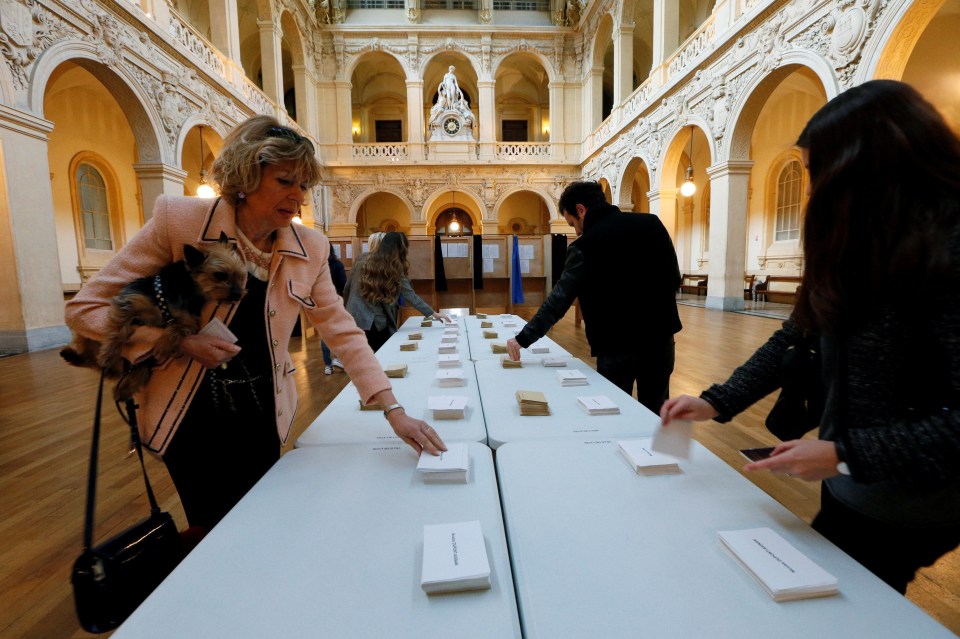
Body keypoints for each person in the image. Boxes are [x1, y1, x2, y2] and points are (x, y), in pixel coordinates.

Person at [65, 115, 445, 533]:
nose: (298, 197)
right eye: (285, 181)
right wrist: (178, 342)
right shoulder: (182, 221)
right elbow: (84, 309)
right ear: (246, 175)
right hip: (190, 414)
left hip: (264, 410)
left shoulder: (310, 247)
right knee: (215, 526)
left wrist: (393, 409)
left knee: (263, 520)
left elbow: (342, 329)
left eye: (304, 185)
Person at [660, 80, 960, 594]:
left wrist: (843, 453)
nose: (810, 190)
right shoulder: (860, 244)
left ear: (862, 169)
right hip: (852, 481)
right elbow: (793, 339)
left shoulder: (946, 254)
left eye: (814, 171)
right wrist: (715, 401)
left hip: (912, 499)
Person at [506, 181, 682, 413]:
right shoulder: (652, 224)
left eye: (572, 224)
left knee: (614, 411)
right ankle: (655, 450)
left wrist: (523, 338)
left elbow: (558, 300)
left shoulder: (585, 246)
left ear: (581, 210)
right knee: (657, 411)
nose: (576, 231)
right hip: (660, 340)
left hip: (616, 345)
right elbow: (674, 277)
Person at [344, 231, 449, 351]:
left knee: (360, 357)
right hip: (375, 321)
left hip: (354, 317)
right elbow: (410, 295)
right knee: (381, 356)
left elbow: (347, 287)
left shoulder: (361, 258)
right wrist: (433, 313)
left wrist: (345, 311)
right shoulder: (393, 265)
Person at [322, 251, 347, 375]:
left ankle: (327, 365)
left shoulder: (318, 265)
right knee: (338, 330)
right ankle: (337, 358)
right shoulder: (337, 265)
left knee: (324, 333)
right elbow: (344, 285)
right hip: (336, 300)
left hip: (320, 301)